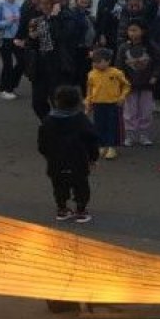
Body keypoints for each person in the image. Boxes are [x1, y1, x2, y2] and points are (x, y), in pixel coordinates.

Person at [37, 85, 100, 223]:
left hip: (56, 162)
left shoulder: (48, 121)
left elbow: (42, 145)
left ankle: (62, 209)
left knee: (59, 186)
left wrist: (48, 155)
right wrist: (93, 158)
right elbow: (92, 140)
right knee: (81, 186)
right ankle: (81, 210)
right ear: (78, 102)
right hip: (78, 161)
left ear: (56, 101)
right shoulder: (80, 120)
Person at [84, 48, 129, 159]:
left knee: (112, 126)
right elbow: (89, 89)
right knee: (99, 125)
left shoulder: (116, 72)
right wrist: (88, 102)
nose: (96, 64)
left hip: (113, 104)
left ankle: (111, 147)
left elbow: (126, 85)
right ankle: (101, 145)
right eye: (94, 62)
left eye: (99, 61)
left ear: (108, 61)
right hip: (98, 104)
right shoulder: (91, 74)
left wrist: (122, 97)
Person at [118, 21, 158, 147]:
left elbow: (158, 62)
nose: (132, 33)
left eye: (135, 30)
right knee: (130, 111)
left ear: (143, 31)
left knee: (146, 110)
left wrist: (155, 76)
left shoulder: (150, 46)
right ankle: (130, 135)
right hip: (129, 84)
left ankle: (144, 135)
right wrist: (122, 80)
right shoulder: (123, 47)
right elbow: (119, 65)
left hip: (147, 84)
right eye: (130, 30)